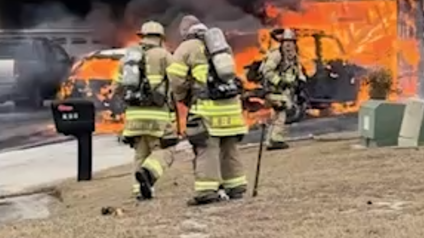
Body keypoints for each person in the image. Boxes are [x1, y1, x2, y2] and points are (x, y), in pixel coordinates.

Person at [167, 15, 248, 205]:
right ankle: (236, 186)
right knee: (229, 148)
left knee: (206, 148)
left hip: (207, 109)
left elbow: (175, 79)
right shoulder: (221, 46)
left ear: (185, 32)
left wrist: (183, 97)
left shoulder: (186, 47)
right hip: (231, 107)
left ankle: (206, 191)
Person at [115, 20, 178, 200]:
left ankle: (139, 191)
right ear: (160, 38)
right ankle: (148, 173)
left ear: (142, 36)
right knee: (166, 149)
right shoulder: (164, 55)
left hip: (134, 116)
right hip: (157, 115)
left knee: (140, 152)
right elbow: (177, 80)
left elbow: (117, 87)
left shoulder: (127, 59)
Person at [258, 28, 307, 151]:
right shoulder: (276, 55)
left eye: (291, 42)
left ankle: (271, 139)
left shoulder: (293, 56)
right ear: (282, 43)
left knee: (277, 114)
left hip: (285, 90)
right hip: (275, 90)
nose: (288, 45)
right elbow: (267, 71)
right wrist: (279, 81)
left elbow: (297, 69)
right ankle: (276, 139)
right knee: (281, 113)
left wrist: (301, 81)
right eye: (286, 42)